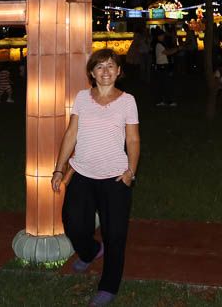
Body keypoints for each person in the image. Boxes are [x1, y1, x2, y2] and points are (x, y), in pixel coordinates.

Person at [52, 49, 140, 307]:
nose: (105, 71)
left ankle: (109, 286)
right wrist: (60, 169)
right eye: (99, 67)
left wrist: (131, 172)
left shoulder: (127, 101)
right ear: (91, 72)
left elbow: (133, 139)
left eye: (110, 66)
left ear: (119, 71)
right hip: (82, 174)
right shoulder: (82, 98)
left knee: (115, 234)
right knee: (73, 224)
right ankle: (91, 251)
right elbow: (71, 133)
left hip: (115, 178)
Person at [152, 29, 179, 107]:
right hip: (162, 67)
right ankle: (167, 101)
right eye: (162, 35)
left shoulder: (159, 44)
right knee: (166, 84)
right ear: (159, 36)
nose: (163, 36)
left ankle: (161, 101)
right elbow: (167, 52)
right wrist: (177, 49)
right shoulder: (159, 44)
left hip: (162, 66)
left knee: (163, 84)